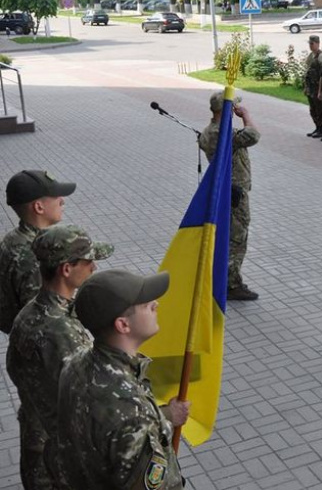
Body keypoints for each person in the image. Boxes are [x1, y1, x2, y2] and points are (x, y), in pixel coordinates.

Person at [57, 269, 190, 489]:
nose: (156, 304)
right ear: (123, 325)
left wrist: (164, 416)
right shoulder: (133, 412)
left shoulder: (75, 362)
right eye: (146, 303)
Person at [7, 225, 113, 488]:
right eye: (89, 261)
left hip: (34, 442)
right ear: (66, 269)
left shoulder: (28, 313)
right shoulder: (62, 331)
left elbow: (14, 369)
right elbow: (90, 405)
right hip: (60, 462)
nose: (94, 268)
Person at [199, 92, 260, 300]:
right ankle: (232, 284)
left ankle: (225, 277)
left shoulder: (211, 131)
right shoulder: (222, 134)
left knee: (229, 234)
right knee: (237, 237)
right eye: (233, 106)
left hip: (226, 189)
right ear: (226, 109)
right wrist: (246, 116)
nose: (236, 109)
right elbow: (253, 135)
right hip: (234, 191)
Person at [1, 170, 76, 334]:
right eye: (56, 197)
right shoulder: (37, 255)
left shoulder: (12, 239)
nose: (62, 201)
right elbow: (42, 318)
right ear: (39, 207)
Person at [303, 35, 322, 138]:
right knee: (312, 109)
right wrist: (305, 87)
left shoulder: (321, 57)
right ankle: (317, 127)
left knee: (319, 109)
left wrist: (320, 90)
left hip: (317, 87)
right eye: (309, 44)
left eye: (312, 44)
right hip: (311, 87)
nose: (310, 46)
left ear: (317, 43)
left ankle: (321, 129)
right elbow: (307, 72)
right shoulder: (311, 56)